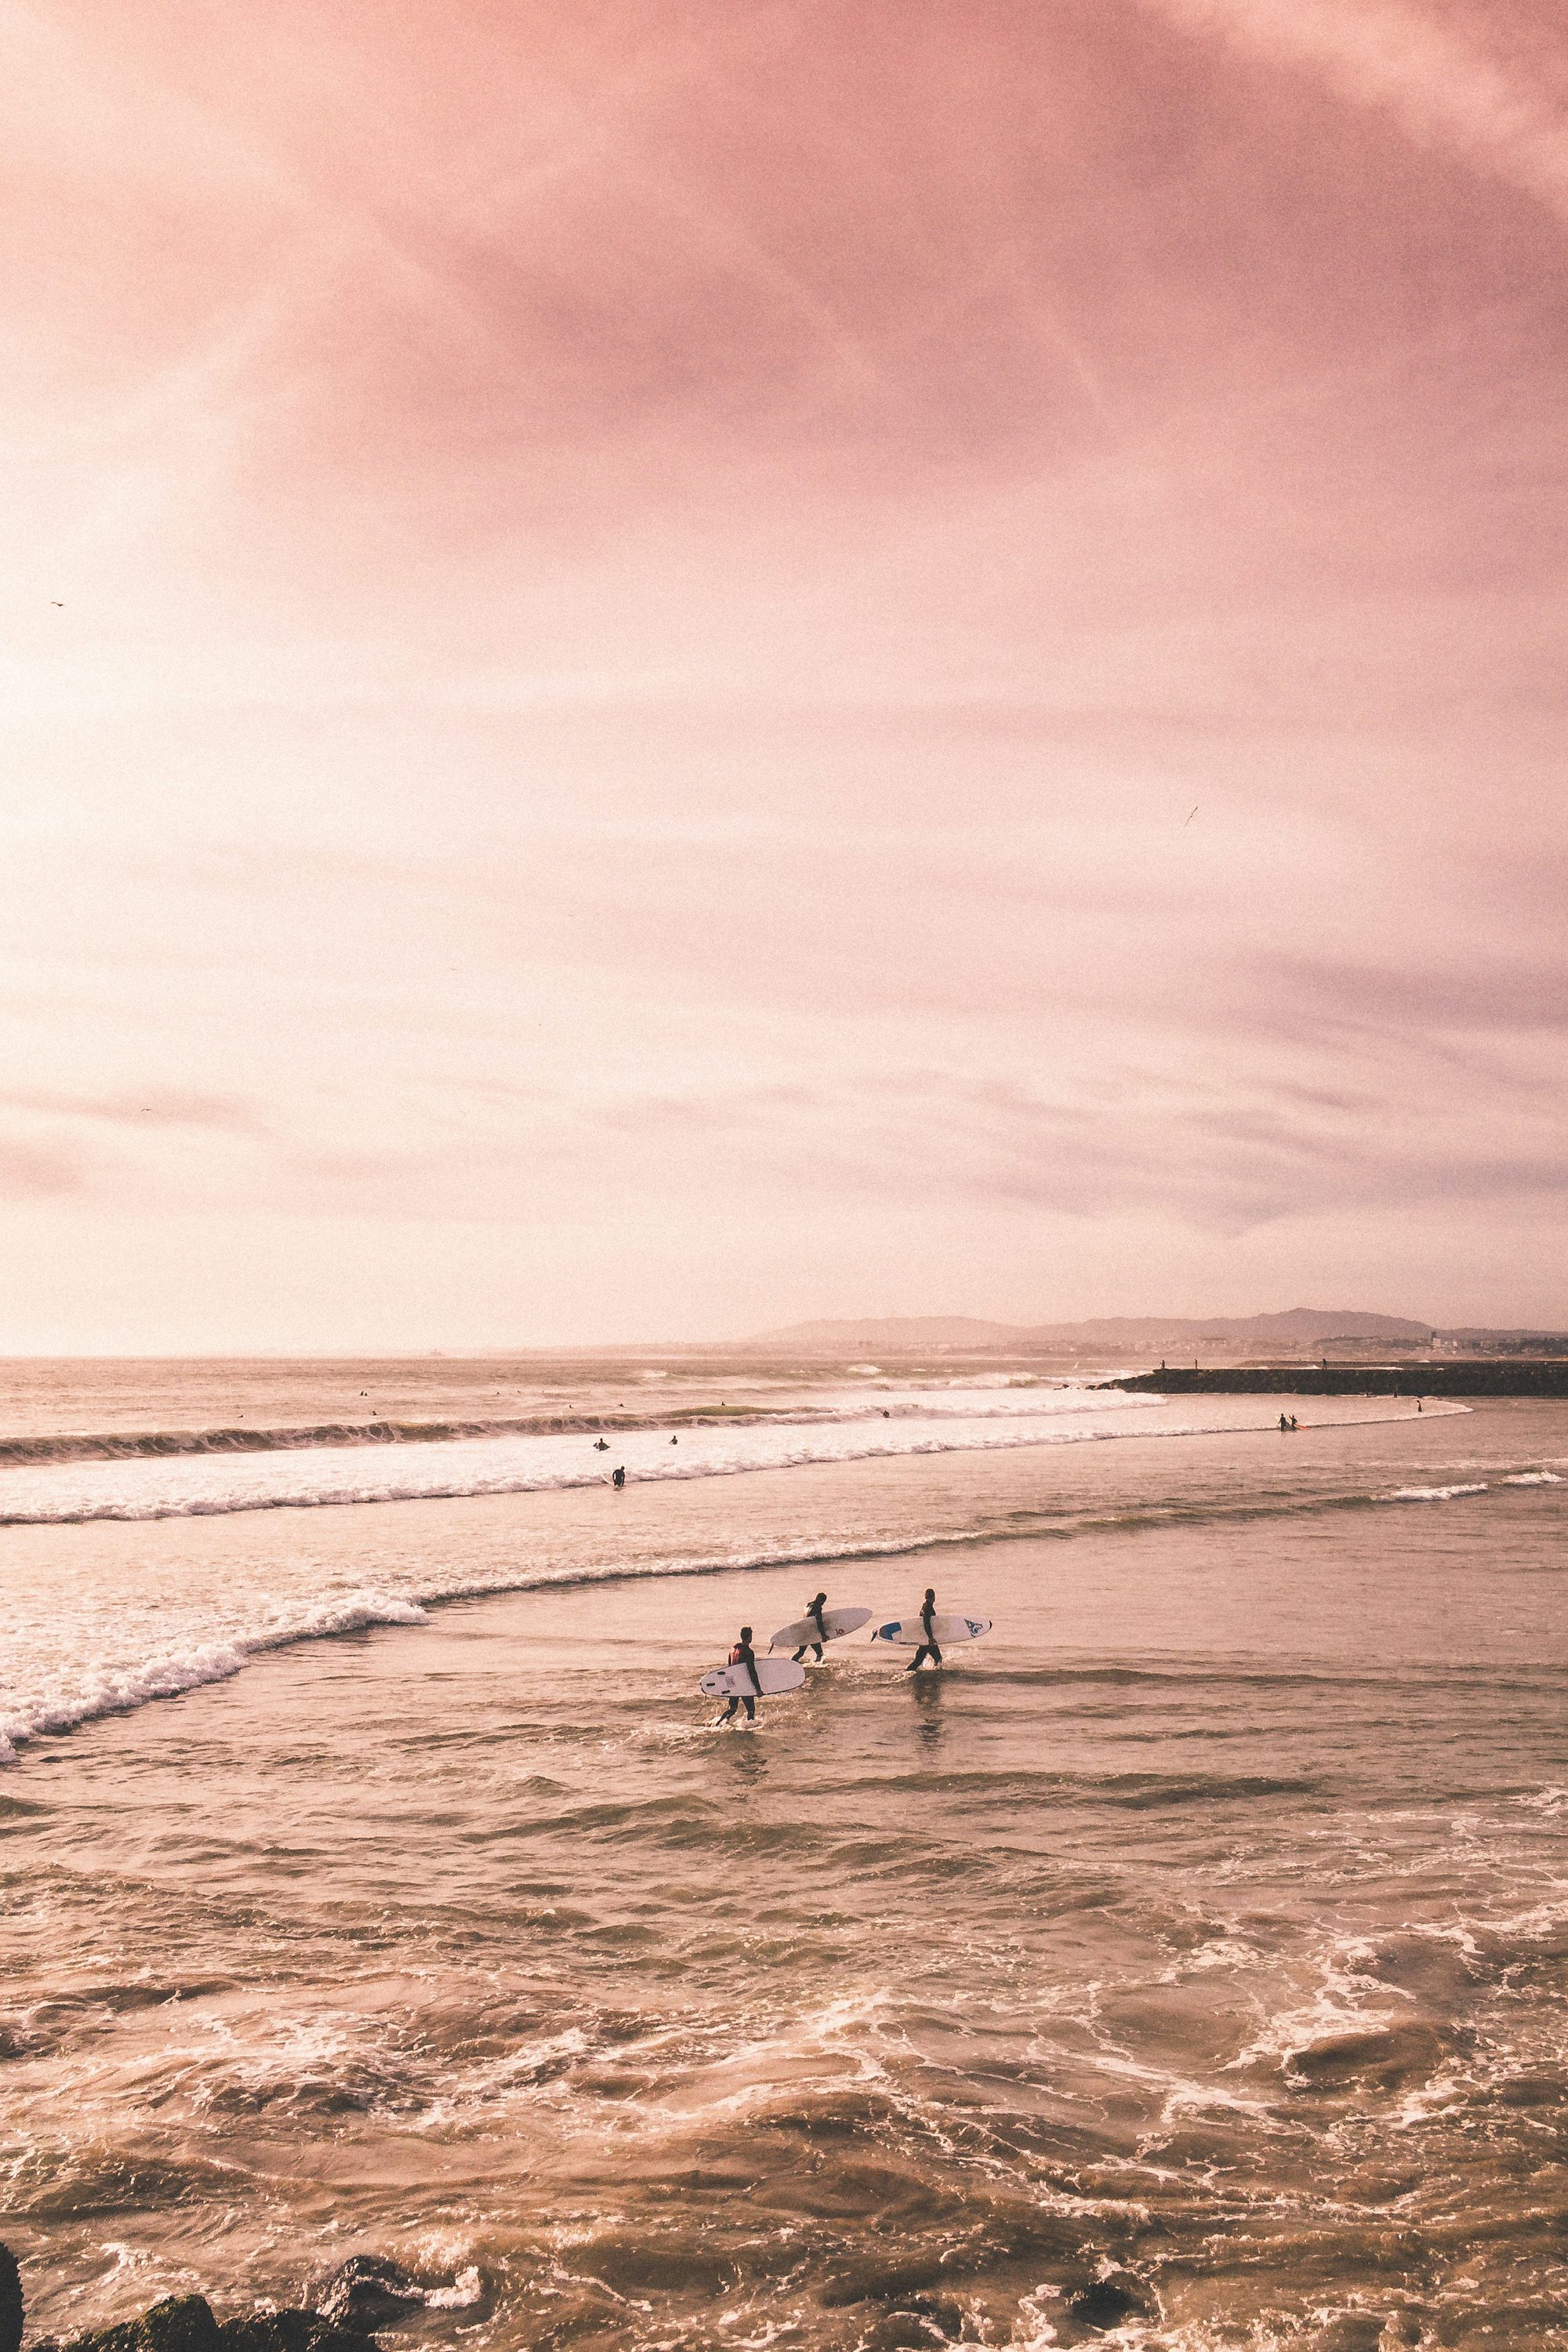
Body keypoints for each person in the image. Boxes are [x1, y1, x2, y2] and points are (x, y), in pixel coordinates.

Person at [718, 1625, 762, 1724]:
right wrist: (758, 1689)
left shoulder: (732, 1650)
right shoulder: (748, 1652)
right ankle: (750, 1728)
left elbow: (729, 1669)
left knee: (733, 1709)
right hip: (743, 1684)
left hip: (733, 1683)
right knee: (751, 1710)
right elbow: (752, 1671)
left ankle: (719, 1724)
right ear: (750, 1637)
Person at [907, 1588, 942, 1672]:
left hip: (925, 1638)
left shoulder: (925, 1606)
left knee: (935, 1659)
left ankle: (934, 1674)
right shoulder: (928, 1608)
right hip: (928, 1640)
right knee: (937, 1659)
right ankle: (907, 1672)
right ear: (933, 1597)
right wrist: (930, 1637)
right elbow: (926, 1623)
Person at [793, 1592, 830, 1664]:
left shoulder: (808, 1605)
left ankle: (792, 1663)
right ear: (820, 1600)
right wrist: (823, 1635)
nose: (823, 1604)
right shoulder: (817, 1607)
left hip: (804, 1632)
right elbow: (819, 1622)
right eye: (823, 1602)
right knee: (820, 1654)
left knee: (801, 1652)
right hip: (811, 1634)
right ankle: (818, 1667)